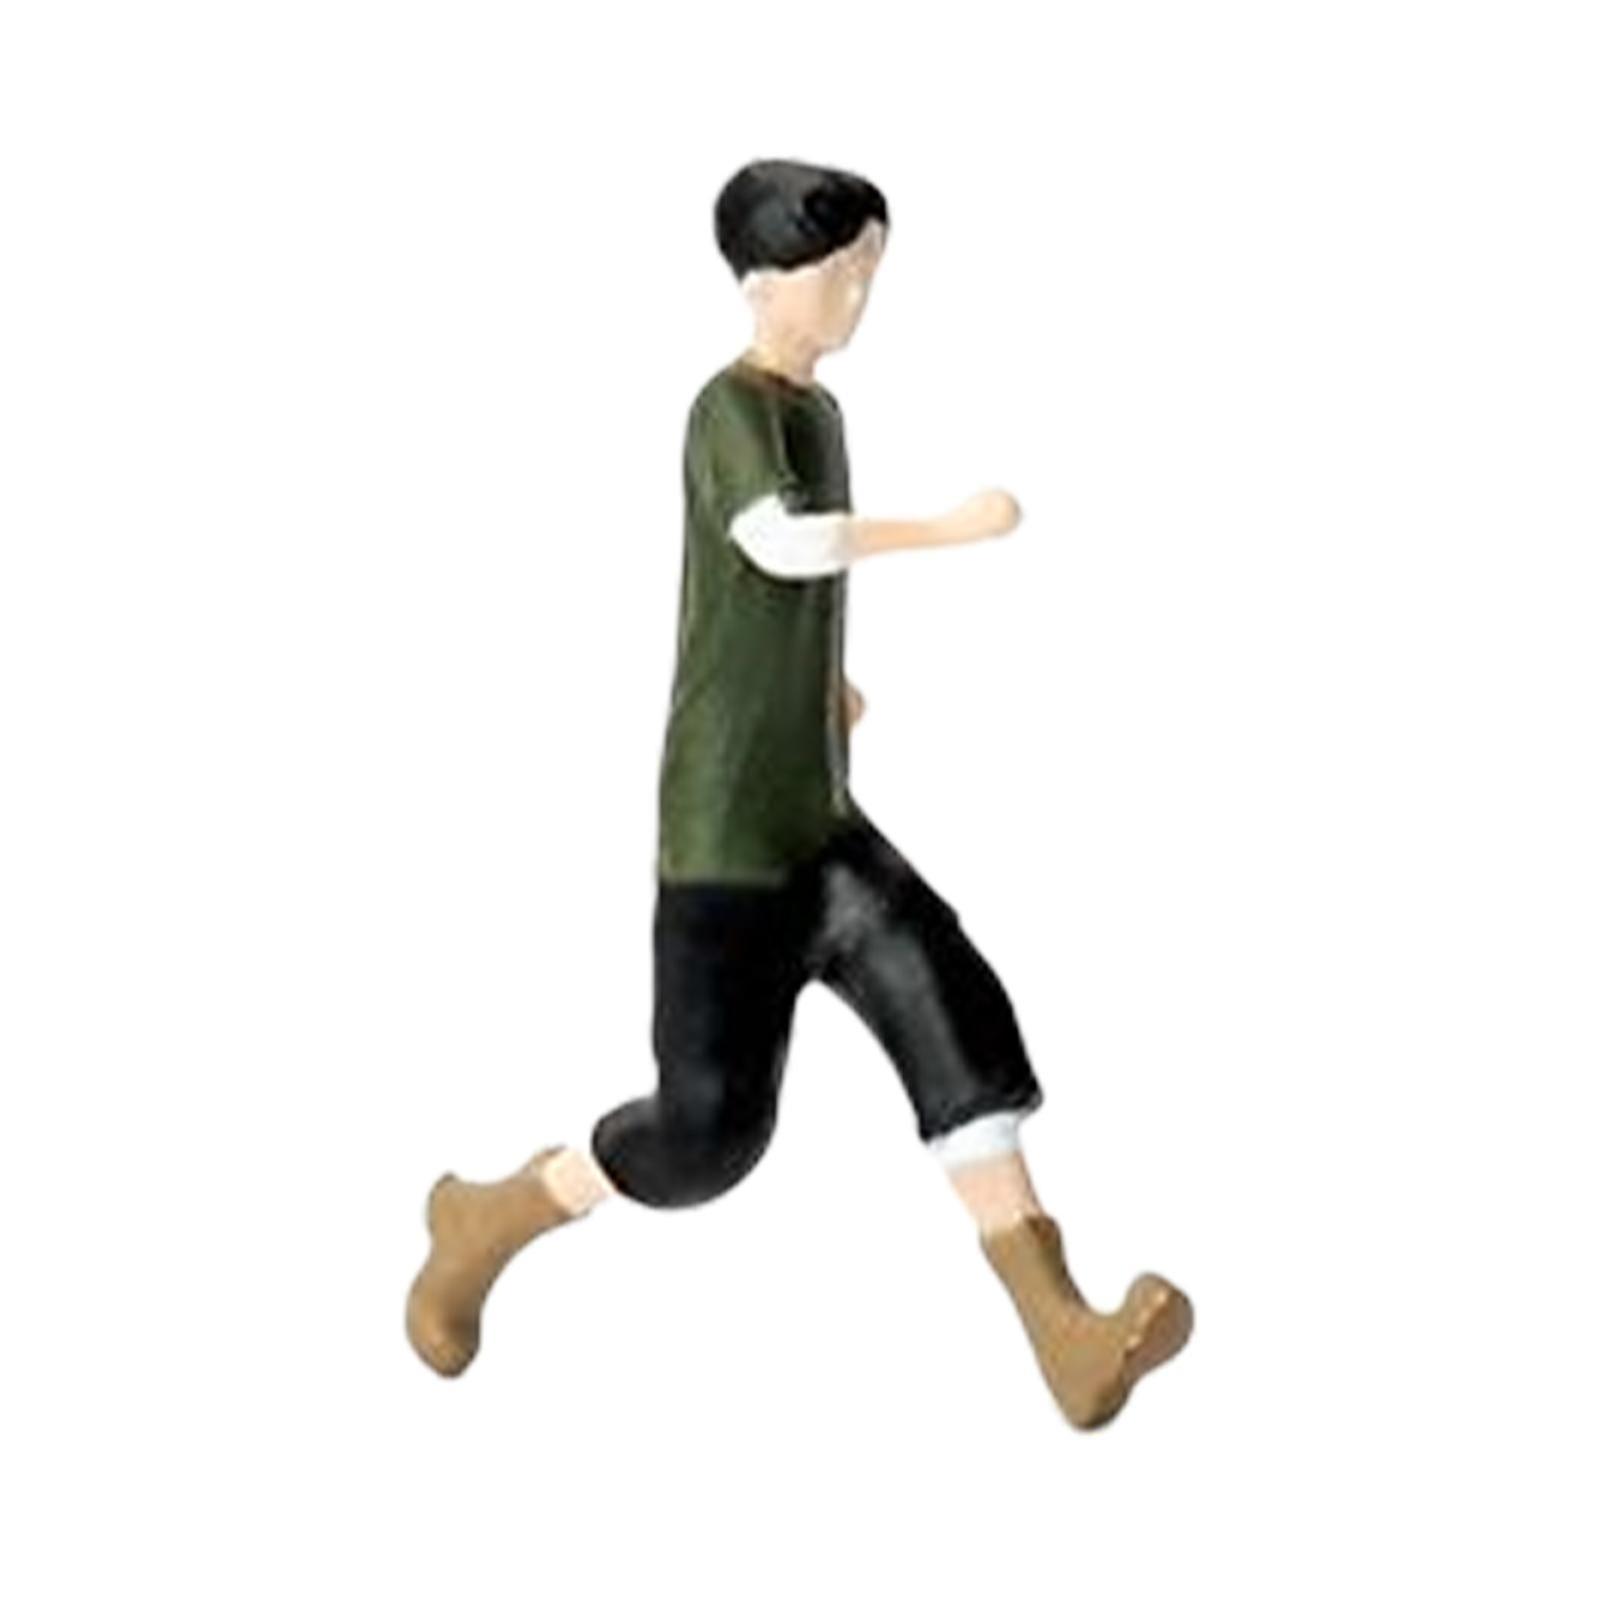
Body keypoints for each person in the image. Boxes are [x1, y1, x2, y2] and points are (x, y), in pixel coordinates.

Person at [405, 158, 1193, 1429]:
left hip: (819, 821)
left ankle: (1063, 1332)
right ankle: (488, 1220)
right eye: (840, 275)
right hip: (726, 838)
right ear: (765, 282)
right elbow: (776, 544)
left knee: (950, 1010)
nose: (856, 299)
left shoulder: (822, 414)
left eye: (870, 274)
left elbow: (779, 595)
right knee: (706, 1134)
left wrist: (820, 685)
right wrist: (944, 530)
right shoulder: (725, 409)